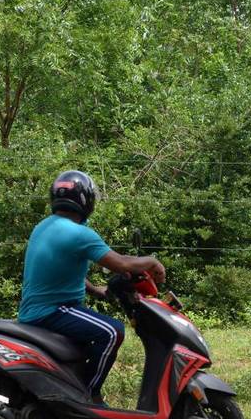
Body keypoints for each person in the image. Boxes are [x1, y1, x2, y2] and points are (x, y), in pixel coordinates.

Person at [18, 170, 165, 405]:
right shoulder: (79, 233)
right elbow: (121, 263)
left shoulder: (44, 226)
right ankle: (88, 396)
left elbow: (61, 270)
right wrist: (152, 262)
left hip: (39, 310)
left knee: (95, 334)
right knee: (112, 332)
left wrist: (95, 290)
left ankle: (70, 388)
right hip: (54, 311)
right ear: (86, 200)